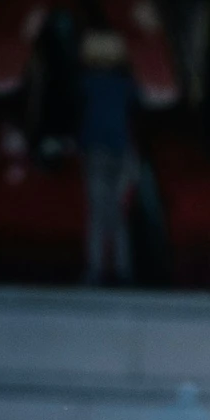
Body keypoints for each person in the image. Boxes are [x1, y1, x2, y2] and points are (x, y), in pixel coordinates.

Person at [78, 28, 137, 286]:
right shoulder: (124, 85)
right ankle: (118, 270)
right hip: (116, 151)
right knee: (114, 215)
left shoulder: (87, 84)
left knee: (100, 215)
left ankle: (101, 269)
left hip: (100, 152)